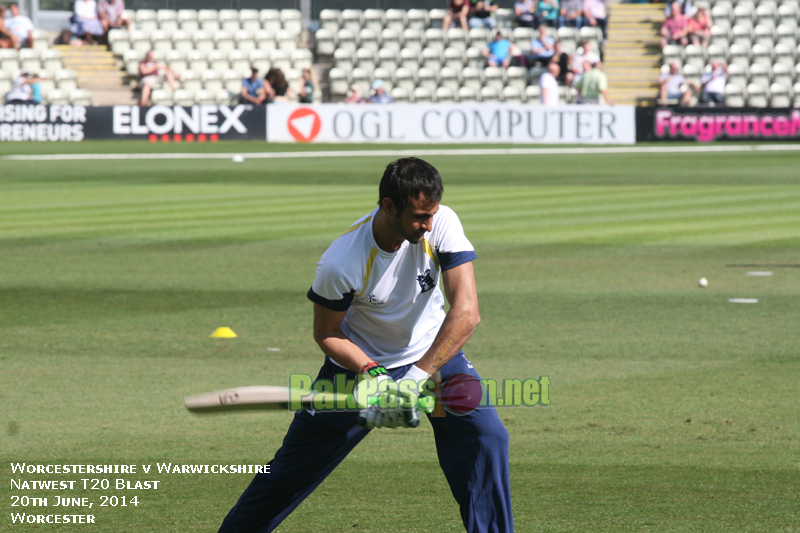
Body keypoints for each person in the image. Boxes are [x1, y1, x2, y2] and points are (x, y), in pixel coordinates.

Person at [216, 157, 513, 533]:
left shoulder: (442, 223)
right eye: (419, 216)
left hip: (434, 357)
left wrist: (416, 377)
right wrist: (373, 372)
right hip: (358, 369)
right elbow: (327, 333)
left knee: (486, 437)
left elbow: (467, 313)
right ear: (389, 207)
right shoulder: (341, 261)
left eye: (432, 214)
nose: (428, 224)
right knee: (288, 475)